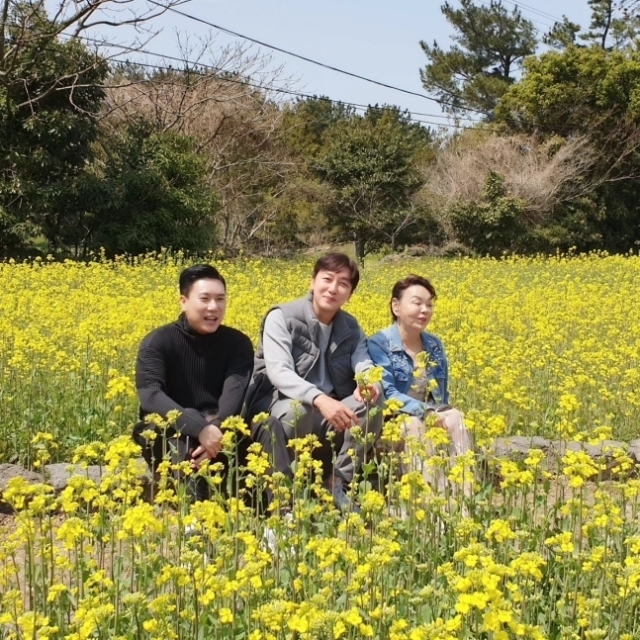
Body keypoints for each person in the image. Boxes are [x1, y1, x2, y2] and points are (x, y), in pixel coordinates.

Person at [246, 252, 383, 512]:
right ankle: (289, 491)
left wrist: (367, 381)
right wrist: (319, 399)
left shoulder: (351, 327)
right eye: (327, 279)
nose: (333, 288)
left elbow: (362, 360)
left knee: (373, 402)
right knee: (300, 409)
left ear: (350, 294)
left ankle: (338, 482)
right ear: (312, 281)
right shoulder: (282, 317)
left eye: (343, 284)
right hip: (282, 409)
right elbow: (279, 372)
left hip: (329, 415)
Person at [133, 264, 254, 502]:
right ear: (183, 301)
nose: (214, 307)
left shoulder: (238, 343)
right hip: (169, 426)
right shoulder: (157, 342)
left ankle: (267, 514)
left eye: (220, 299)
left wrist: (214, 430)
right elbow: (150, 396)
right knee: (179, 437)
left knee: (265, 427)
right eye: (205, 299)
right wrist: (199, 428)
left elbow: (235, 392)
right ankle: (194, 519)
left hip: (219, 425)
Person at [367, 274, 472, 497]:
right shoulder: (379, 343)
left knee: (456, 417)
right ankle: (429, 503)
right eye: (417, 303)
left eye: (429, 305)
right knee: (415, 424)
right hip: (394, 422)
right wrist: (426, 412)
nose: (425, 310)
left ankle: (464, 503)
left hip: (430, 413)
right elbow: (388, 393)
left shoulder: (433, 344)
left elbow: (441, 393)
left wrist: (441, 415)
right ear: (396, 306)